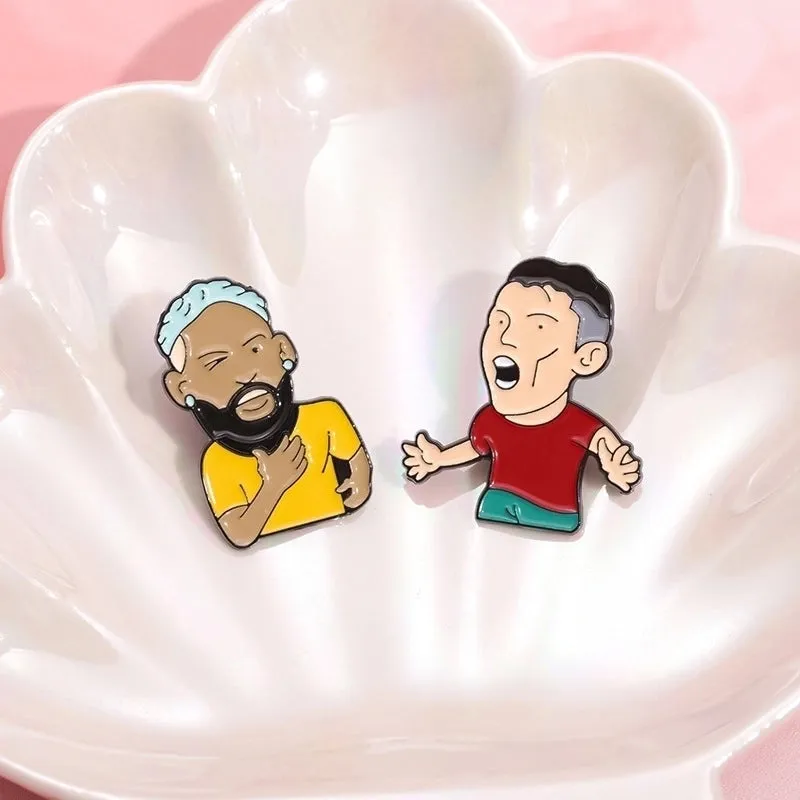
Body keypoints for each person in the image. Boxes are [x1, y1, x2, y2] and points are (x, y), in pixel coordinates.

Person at [402, 257, 640, 533]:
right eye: (500, 321)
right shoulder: (489, 420)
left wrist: (618, 470)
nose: (507, 338)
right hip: (495, 504)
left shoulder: (582, 426)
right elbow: (474, 448)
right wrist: (438, 459)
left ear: (587, 358)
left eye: (538, 327)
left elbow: (609, 453)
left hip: (555, 515)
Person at [156, 278, 371, 548]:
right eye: (216, 363)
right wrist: (273, 485)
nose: (246, 372)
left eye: (255, 349)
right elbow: (240, 532)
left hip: (348, 542)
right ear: (181, 388)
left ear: (283, 349)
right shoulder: (218, 462)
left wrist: (359, 482)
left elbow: (356, 460)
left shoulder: (325, 416)